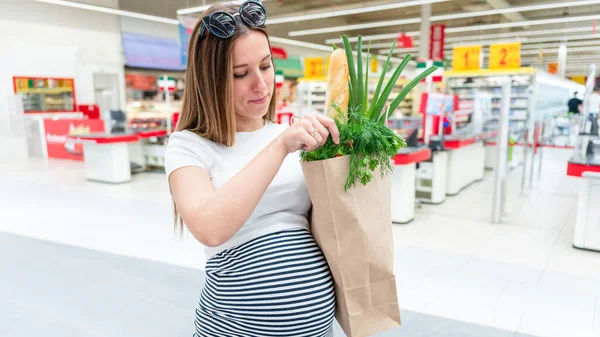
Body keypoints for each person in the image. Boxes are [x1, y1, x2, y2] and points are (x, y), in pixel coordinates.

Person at [164, 1, 339, 336]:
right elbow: (209, 227)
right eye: (240, 74)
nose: (261, 85)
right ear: (208, 80)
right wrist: (281, 146)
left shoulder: (289, 133)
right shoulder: (188, 146)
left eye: (266, 66)